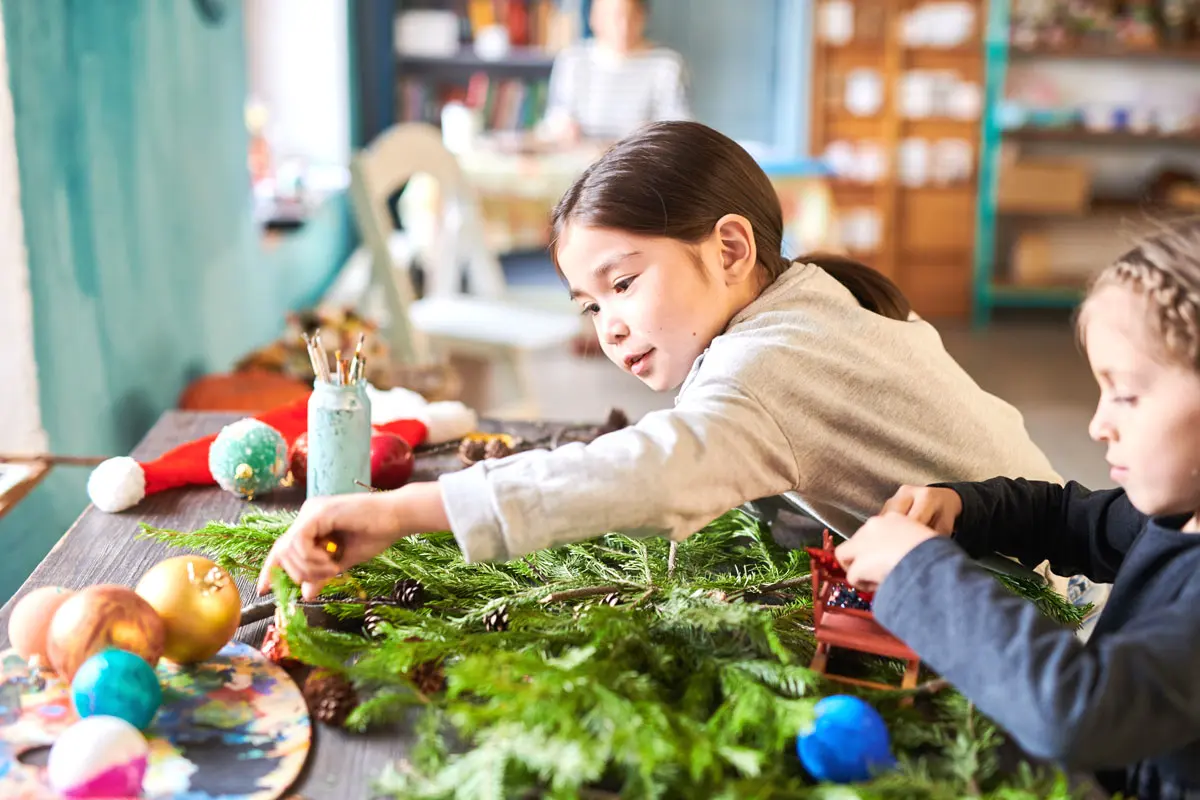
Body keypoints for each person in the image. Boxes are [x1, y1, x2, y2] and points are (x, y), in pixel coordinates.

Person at [257, 120, 1084, 606]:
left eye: (622, 283)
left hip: (1034, 615)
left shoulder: (769, 367)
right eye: (590, 306)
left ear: (729, 248)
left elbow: (648, 475)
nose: (609, 327)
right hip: (1060, 566)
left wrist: (401, 513)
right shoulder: (812, 294)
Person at [836, 221, 1200, 798]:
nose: (1098, 424)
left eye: (1126, 394)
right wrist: (963, 506)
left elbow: (1081, 710)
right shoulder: (1179, 512)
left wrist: (919, 571)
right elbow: (1064, 518)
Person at [540, 0, 691, 144]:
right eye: (614, 16)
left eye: (632, 16)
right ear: (594, 18)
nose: (623, 26)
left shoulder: (666, 64)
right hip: (580, 157)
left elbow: (680, 127)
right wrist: (563, 128)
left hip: (640, 159)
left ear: (644, 16)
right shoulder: (572, 60)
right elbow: (554, 120)